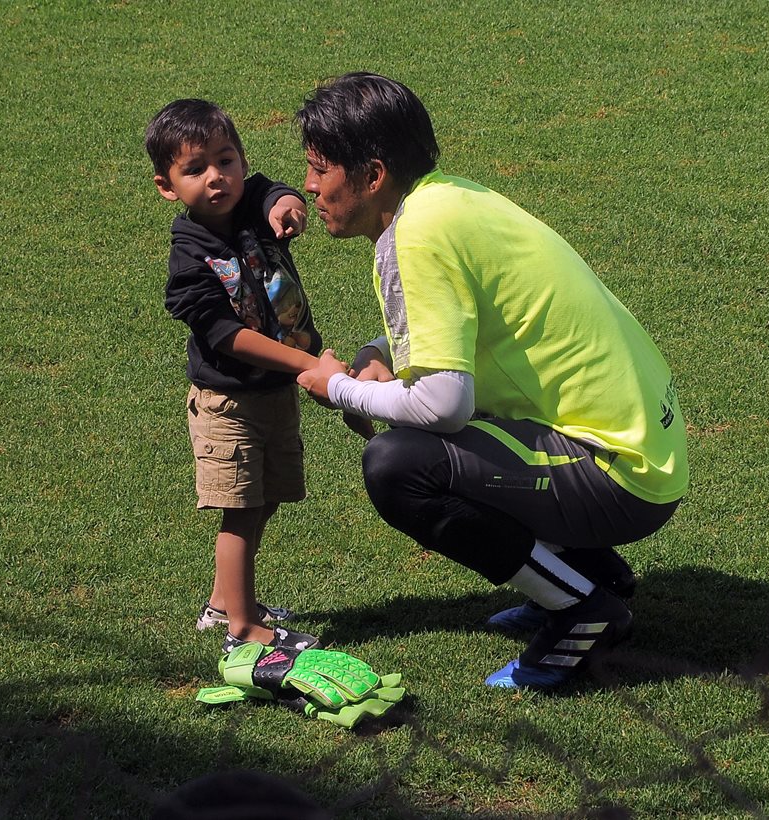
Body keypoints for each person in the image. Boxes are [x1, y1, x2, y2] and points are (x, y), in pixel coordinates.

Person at [293, 73, 688, 690]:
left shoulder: (417, 235)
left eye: (321, 170)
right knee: (445, 439)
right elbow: (459, 326)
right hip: (646, 451)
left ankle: (582, 610)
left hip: (620, 476)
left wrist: (337, 387)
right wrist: (377, 353)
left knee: (399, 463)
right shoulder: (448, 199)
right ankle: (592, 574)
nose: (311, 186)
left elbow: (444, 403)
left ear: (372, 176)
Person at [145, 98, 323, 654]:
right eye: (195, 169)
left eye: (226, 160)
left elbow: (276, 191)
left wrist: (288, 205)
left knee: (265, 498)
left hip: (272, 394)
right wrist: (309, 364)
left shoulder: (253, 201)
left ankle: (224, 606)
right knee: (240, 510)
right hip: (228, 402)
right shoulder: (189, 253)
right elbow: (225, 336)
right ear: (166, 186)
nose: (216, 177)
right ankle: (245, 629)